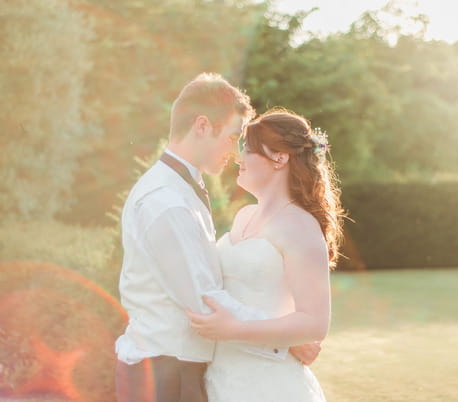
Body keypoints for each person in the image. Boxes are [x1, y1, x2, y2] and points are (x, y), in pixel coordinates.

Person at [114, 74, 319, 402]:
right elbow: (204, 302)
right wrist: (287, 338)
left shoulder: (181, 189)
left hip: (179, 368)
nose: (236, 151)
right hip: (165, 373)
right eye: (233, 136)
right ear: (202, 125)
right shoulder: (166, 201)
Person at [187, 108, 344, 402]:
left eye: (248, 150)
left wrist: (236, 328)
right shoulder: (243, 216)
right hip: (221, 377)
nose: (238, 157)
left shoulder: (300, 226)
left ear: (279, 158)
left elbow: (314, 324)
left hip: (268, 384)